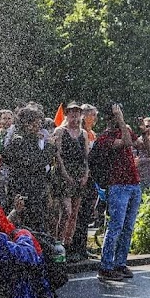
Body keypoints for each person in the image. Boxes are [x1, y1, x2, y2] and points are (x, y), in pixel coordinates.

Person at [89, 102, 148, 283]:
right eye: (117, 116)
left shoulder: (126, 130)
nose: (120, 119)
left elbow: (144, 147)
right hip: (118, 186)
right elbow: (127, 143)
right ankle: (106, 266)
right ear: (110, 118)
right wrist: (122, 120)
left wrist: (145, 132)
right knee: (116, 226)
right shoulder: (104, 139)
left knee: (128, 227)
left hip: (133, 184)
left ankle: (120, 264)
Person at [0, 106, 54, 232]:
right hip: (23, 193)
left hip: (36, 191)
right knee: (23, 228)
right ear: (27, 124)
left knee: (39, 226)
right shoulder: (19, 142)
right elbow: (36, 163)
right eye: (37, 123)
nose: (39, 126)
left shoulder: (33, 139)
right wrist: (50, 148)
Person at [52, 103, 90, 250]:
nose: (75, 117)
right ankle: (59, 240)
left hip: (79, 173)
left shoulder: (84, 133)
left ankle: (68, 243)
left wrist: (86, 174)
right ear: (67, 115)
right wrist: (65, 174)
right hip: (64, 174)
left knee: (74, 212)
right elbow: (58, 155)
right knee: (66, 211)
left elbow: (86, 156)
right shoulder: (60, 131)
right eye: (72, 114)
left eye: (77, 114)